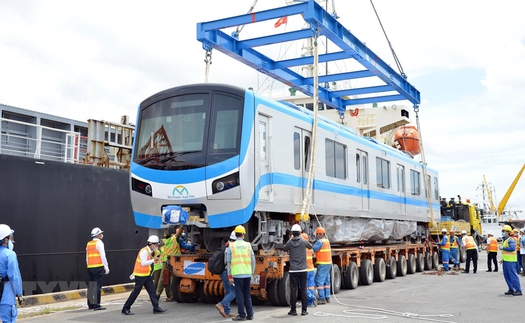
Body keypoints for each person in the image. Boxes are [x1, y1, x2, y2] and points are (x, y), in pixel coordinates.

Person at [121, 235, 167, 315]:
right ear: (152, 244)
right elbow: (143, 263)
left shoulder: (149, 251)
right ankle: (125, 308)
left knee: (152, 292)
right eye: (156, 245)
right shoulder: (144, 251)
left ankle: (156, 308)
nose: (156, 247)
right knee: (136, 292)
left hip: (146, 275)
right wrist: (153, 260)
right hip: (140, 276)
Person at [226, 225, 255, 321]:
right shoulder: (248, 245)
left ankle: (242, 315)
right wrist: (252, 272)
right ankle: (250, 314)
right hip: (247, 273)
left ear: (235, 234)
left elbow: (228, 262)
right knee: (247, 294)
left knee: (240, 295)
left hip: (237, 274)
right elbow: (253, 259)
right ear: (243, 234)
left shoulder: (232, 246)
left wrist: (230, 276)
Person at [283, 224, 313, 316]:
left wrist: (290, 239)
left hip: (293, 270)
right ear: (300, 233)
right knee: (303, 289)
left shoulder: (290, 242)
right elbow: (310, 246)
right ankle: (304, 311)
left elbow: (284, 248)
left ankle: (293, 310)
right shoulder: (303, 241)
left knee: (293, 290)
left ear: (292, 233)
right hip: (303, 269)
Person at [0, 225, 22, 323]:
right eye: (10, 237)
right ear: (5, 239)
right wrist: (19, 293)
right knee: (8, 320)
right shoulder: (10, 254)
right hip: (6, 295)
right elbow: (14, 276)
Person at [86, 227, 109, 310]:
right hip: (98, 267)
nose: (101, 235)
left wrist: (88, 265)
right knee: (98, 286)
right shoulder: (99, 243)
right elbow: (103, 256)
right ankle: (96, 304)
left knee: (91, 286)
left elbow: (87, 257)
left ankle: (90, 304)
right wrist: (106, 267)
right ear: (98, 235)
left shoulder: (89, 244)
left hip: (90, 267)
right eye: (100, 234)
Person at [215, 231, 237, 318]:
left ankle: (227, 312)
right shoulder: (231, 248)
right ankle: (221, 304)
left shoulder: (226, 245)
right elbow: (229, 263)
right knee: (235, 291)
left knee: (228, 291)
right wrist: (230, 276)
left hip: (223, 272)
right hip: (227, 272)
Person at [500, 225, 522, 296]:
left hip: (511, 261)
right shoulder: (505, 240)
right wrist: (503, 259)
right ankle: (511, 289)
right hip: (506, 260)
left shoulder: (510, 240)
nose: (502, 232)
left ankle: (518, 290)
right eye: (502, 231)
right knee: (507, 276)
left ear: (508, 232)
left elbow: (512, 248)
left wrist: (503, 247)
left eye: (504, 231)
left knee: (513, 276)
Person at [312, 226, 331, 304]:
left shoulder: (320, 242)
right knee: (326, 281)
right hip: (328, 263)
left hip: (322, 264)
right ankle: (327, 297)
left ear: (318, 234)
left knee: (319, 281)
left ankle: (321, 298)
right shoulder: (327, 241)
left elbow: (313, 250)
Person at [302, 233, 316, 307]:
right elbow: (313, 253)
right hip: (311, 269)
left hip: (305, 270)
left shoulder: (301, 249)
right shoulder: (310, 249)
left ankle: (311, 297)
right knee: (310, 286)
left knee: (303, 286)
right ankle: (309, 303)